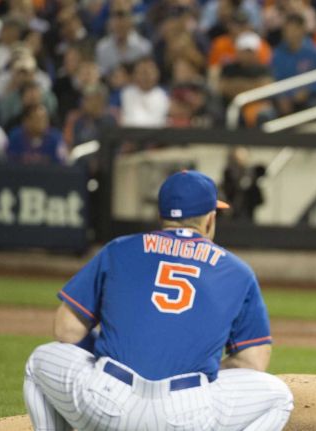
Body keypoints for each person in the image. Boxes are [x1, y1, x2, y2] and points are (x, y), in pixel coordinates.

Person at [23, 170, 294, 431]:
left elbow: (66, 329)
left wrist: (105, 358)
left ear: (161, 215)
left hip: (106, 403)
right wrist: (201, 377)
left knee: (38, 362)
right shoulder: (237, 271)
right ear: (210, 219)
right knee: (279, 398)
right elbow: (253, 361)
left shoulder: (119, 250)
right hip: (188, 415)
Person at [271, 14, 316, 115]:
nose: (290, 34)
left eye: (294, 30)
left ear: (302, 30)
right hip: (285, 101)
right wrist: (283, 96)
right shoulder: (278, 54)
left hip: (311, 99)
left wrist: (308, 90)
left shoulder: (315, 52)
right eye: (286, 30)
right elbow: (274, 78)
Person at [119, 57, 170, 128]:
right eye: (141, 73)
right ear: (134, 75)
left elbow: (159, 122)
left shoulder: (164, 96)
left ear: (157, 74)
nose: (145, 77)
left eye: (148, 73)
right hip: (128, 135)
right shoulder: (125, 93)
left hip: (156, 136)